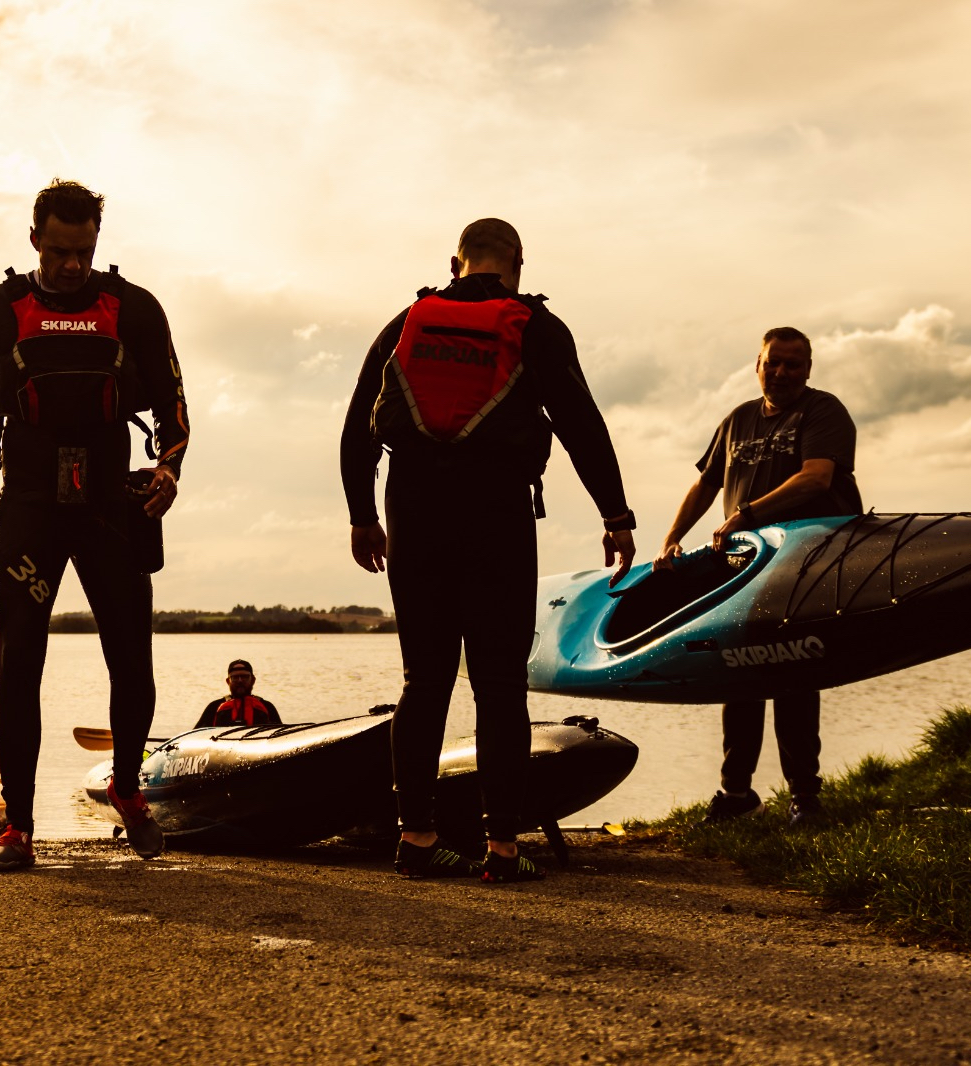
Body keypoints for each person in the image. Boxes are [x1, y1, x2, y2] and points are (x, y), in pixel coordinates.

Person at [342, 218, 636, 883]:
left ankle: (415, 837)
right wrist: (615, 513)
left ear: (456, 263)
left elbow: (358, 425)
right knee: (499, 685)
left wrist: (362, 514)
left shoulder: (406, 322)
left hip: (411, 508)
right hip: (495, 511)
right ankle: (501, 848)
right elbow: (580, 423)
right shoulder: (533, 326)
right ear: (517, 265)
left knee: (425, 680)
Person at [0, 179, 190, 872]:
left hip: (112, 502)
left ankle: (127, 789)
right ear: (35, 238)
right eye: (61, 250)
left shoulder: (133, 307)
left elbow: (173, 405)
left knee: (131, 659)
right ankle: (17, 828)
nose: (73, 265)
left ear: (96, 244)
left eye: (85, 251)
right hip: (29, 505)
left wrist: (168, 469)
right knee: (20, 661)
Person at [654, 327, 861, 828]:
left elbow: (816, 477)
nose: (782, 372)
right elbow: (705, 483)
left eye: (793, 364)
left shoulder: (822, 410)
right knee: (738, 674)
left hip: (803, 565)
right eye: (774, 362)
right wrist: (672, 538)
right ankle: (736, 793)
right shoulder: (738, 419)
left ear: (807, 368)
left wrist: (746, 515)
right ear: (758, 364)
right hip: (742, 570)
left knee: (793, 674)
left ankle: (804, 798)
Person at [196, 659, 283, 728]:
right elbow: (196, 736)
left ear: (253, 680)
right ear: (228, 681)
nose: (240, 680)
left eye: (244, 677)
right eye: (235, 677)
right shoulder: (214, 707)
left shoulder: (267, 707)